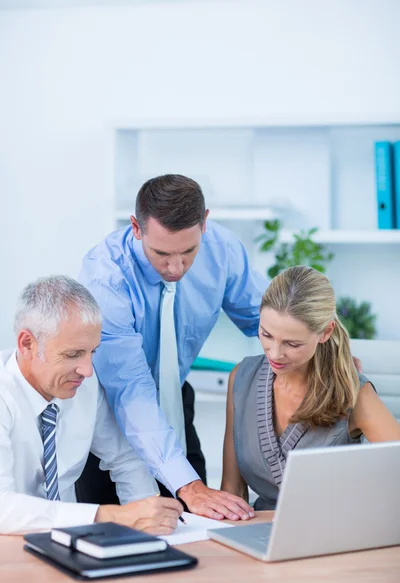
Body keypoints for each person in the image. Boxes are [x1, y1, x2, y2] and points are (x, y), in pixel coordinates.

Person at [78, 174, 265, 520]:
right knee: (118, 543)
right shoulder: (106, 278)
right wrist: (188, 486)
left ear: (204, 222)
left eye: (189, 251)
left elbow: (266, 317)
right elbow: (130, 390)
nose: (176, 268)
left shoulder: (222, 249)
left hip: (176, 401)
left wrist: (326, 347)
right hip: (108, 417)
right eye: (161, 253)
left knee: (197, 527)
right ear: (136, 227)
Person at [0, 276, 183, 535]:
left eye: (92, 352)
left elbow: (125, 459)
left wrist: (148, 526)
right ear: (27, 344)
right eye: (73, 354)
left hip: (69, 545)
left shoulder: (83, 383)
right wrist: (109, 515)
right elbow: (3, 508)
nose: (87, 370)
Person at [221, 265, 400, 510]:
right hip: (257, 534)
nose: (274, 353)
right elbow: (232, 492)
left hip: (336, 536)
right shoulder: (241, 379)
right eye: (266, 334)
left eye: (292, 344)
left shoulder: (354, 395)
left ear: (325, 332)